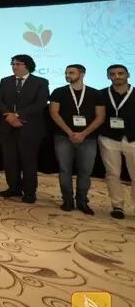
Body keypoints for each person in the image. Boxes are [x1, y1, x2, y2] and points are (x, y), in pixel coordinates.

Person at [49, 64, 105, 215]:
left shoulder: (96, 93)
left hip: (88, 138)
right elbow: (54, 113)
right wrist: (70, 133)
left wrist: (83, 134)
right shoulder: (58, 91)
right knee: (64, 170)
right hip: (63, 137)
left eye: (71, 73)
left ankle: (82, 201)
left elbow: (100, 117)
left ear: (82, 74)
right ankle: (67, 200)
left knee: (85, 171)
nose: (67, 75)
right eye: (66, 73)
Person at [0, 54, 49, 204]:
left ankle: (30, 192)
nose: (14, 67)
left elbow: (40, 103)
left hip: (30, 128)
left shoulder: (40, 82)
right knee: (9, 160)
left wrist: (17, 115)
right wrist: (8, 115)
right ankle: (14, 188)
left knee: (28, 161)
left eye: (18, 64)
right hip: (7, 127)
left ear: (27, 66)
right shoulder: (5, 81)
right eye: (13, 64)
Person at [98, 64, 135, 220]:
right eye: (112, 74)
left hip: (133, 138)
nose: (117, 76)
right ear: (108, 77)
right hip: (108, 137)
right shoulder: (101, 94)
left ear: (128, 75)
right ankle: (117, 205)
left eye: (120, 73)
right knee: (112, 173)